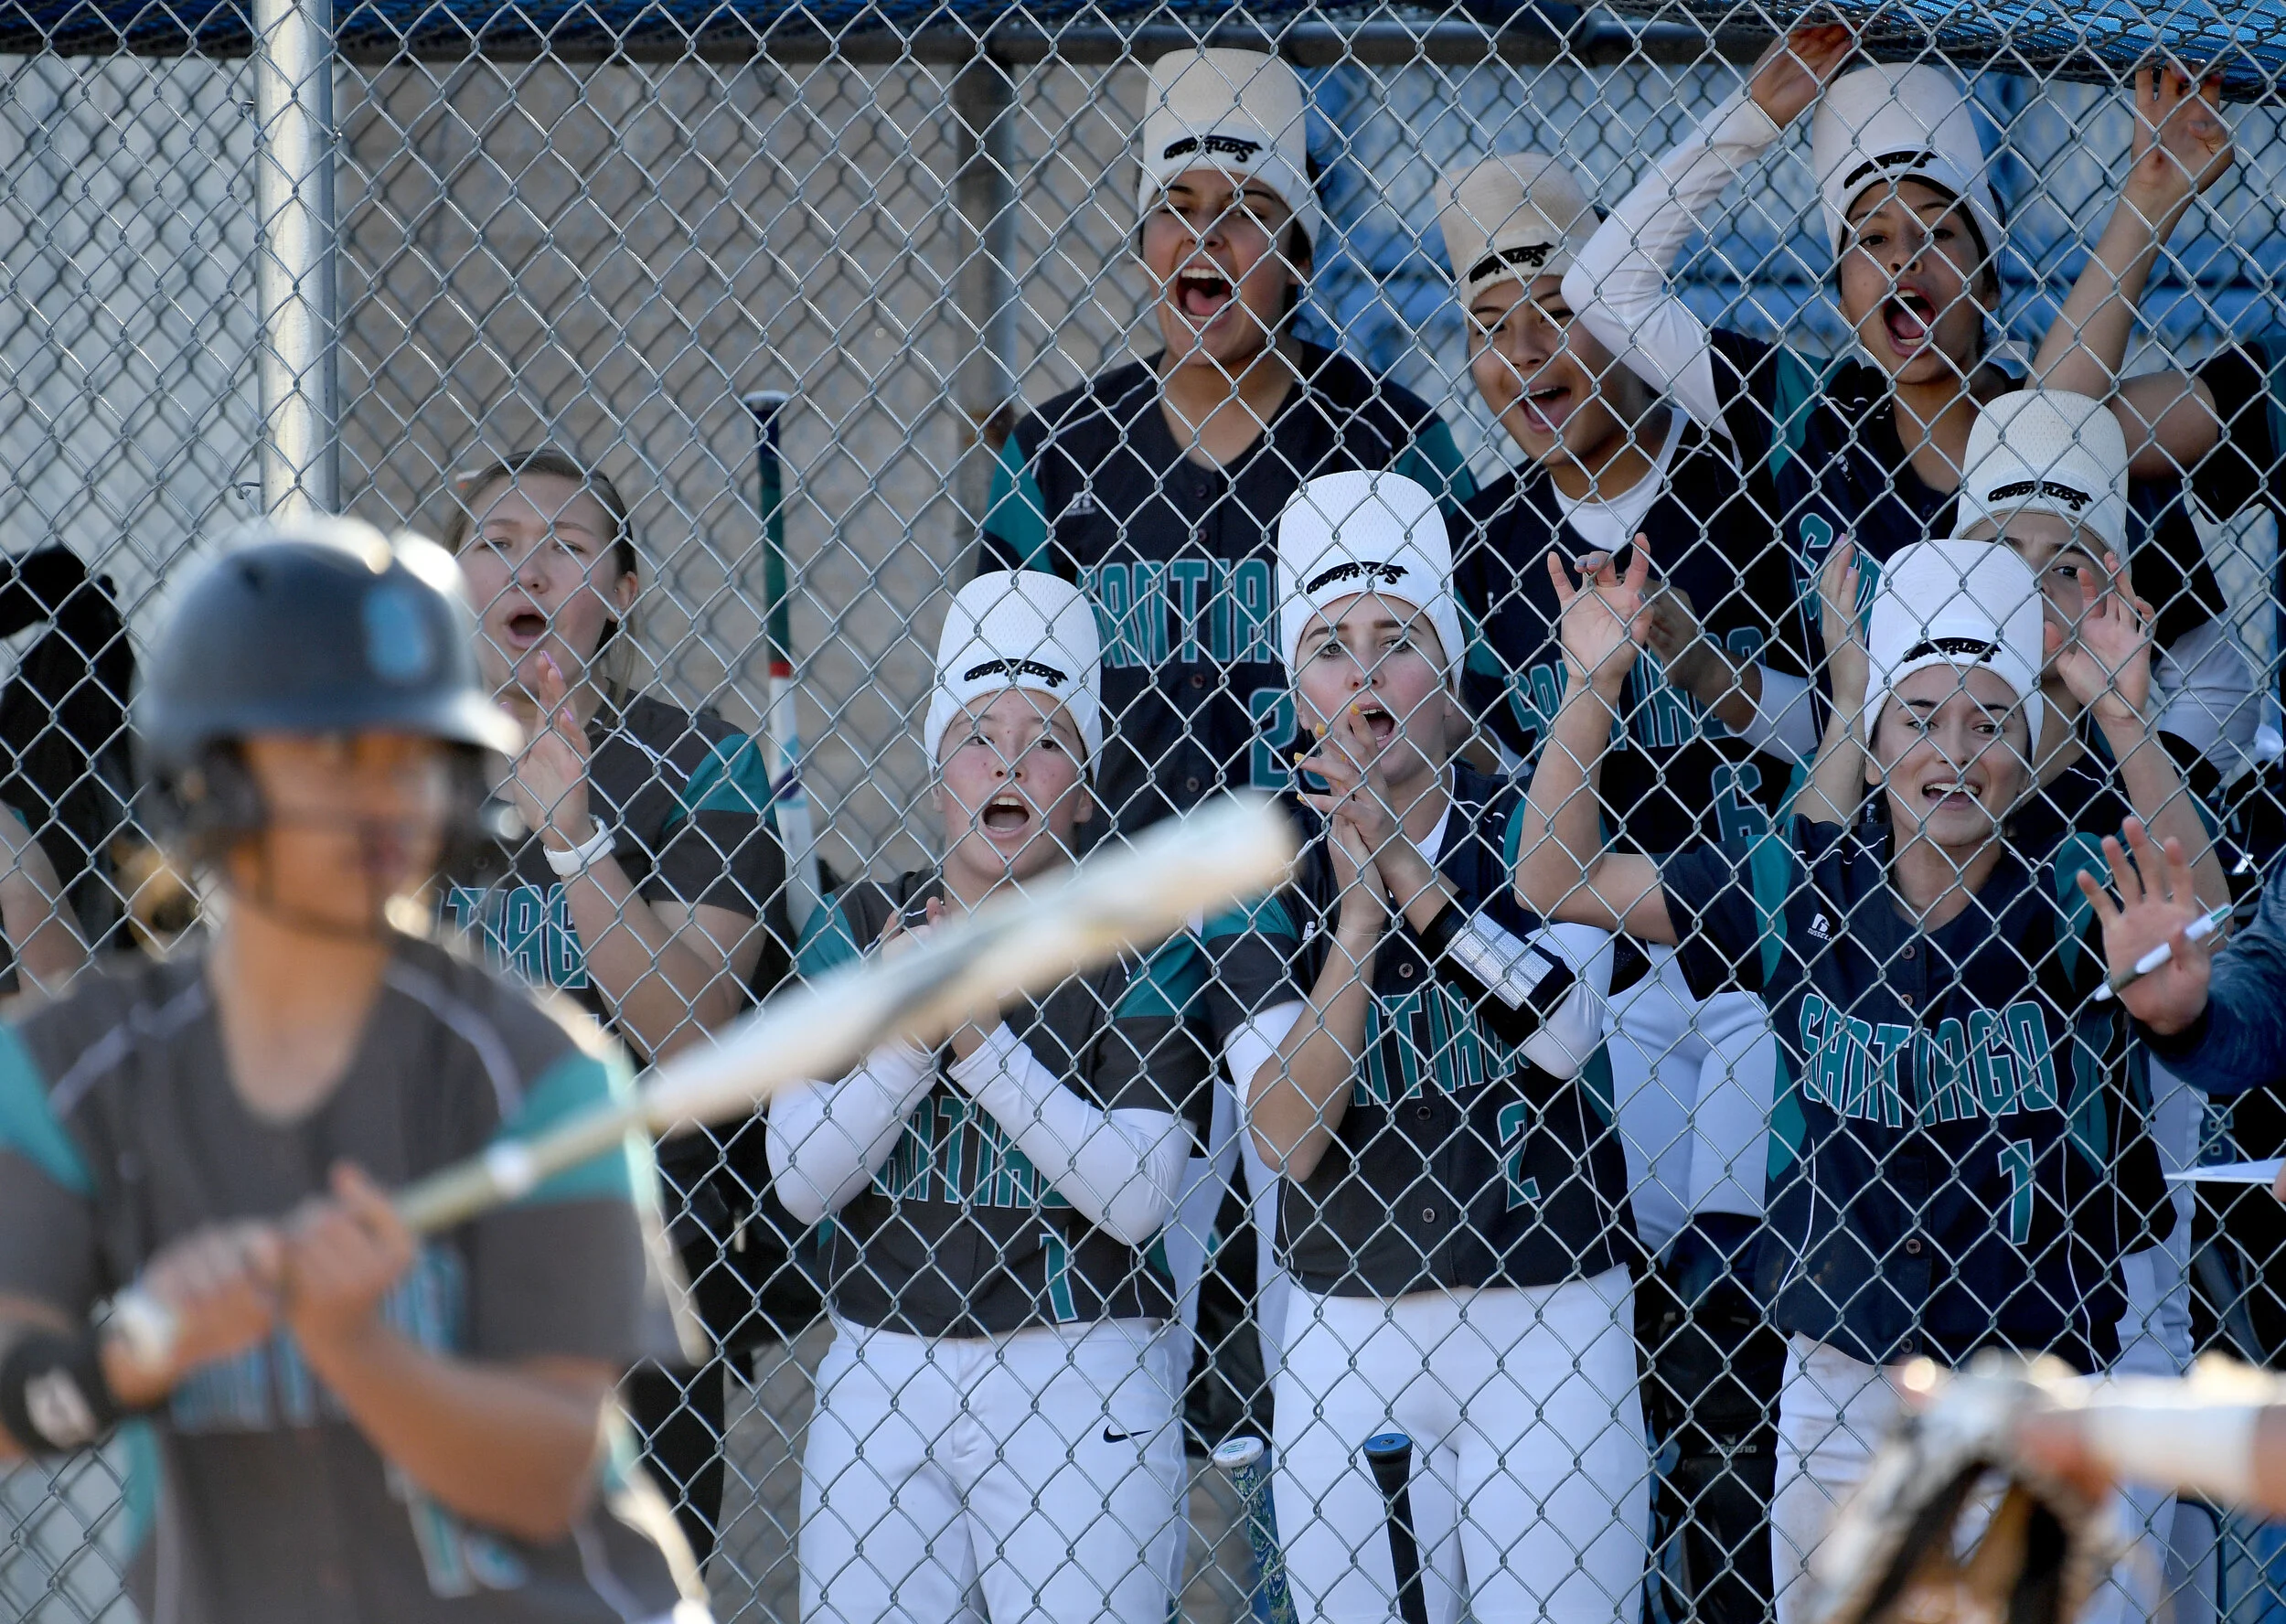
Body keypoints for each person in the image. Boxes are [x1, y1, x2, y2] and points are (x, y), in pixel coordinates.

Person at [0, 518, 706, 1623]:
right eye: (333, 753)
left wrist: (357, 1345)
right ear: (214, 778)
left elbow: (546, 1469)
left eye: (414, 756)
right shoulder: (77, 1072)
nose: (385, 797)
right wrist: (136, 1352)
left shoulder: (532, 1071)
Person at [977, 43, 1477, 1469]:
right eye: (1178, 206)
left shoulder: (1385, 437)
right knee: (1138, 1328)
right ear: (1140, 241)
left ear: (1302, 252)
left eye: (1247, 213)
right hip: (1123, 933)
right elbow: (1001, 716)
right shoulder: (1060, 453)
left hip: (1325, 921)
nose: (1209, 237)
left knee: (1320, 1302)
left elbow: (1467, 690)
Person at [1515, 536, 2167, 1624]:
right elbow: (1552, 875)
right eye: (1918, 718)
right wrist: (1593, 682)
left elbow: (2188, 922)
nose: (1952, 752)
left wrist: (2124, 717)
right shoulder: (1793, 881)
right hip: (1840, 1373)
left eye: (1988, 721)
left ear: (2028, 745)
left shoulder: (2070, 890)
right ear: (1868, 743)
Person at [1438, 147, 1794, 1624]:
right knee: (1627, 1343)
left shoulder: (1745, 438)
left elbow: (1833, 729)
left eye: (1557, 308)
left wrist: (1700, 669)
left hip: (1767, 956)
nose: (1529, 351)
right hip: (1590, 989)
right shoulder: (1475, 537)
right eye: (1491, 323)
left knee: (1752, 1343)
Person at [1203, 469, 1647, 1624]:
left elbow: (1557, 1034)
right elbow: (1288, 1139)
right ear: (1298, 690)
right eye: (1330, 648)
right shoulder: (1260, 866)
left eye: (1395, 643)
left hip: (1550, 1309)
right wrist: (1356, 921)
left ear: (1445, 678)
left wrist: (1410, 877)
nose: (1363, 677)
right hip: (1349, 1322)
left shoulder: (1536, 823)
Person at [1563, 31, 2250, 755]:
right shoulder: (1806, 410)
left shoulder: (2078, 447)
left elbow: (2219, 681)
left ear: (1988, 284)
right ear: (1841, 295)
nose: (1903, 256)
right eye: (1871, 237)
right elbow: (1601, 289)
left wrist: (2129, 802)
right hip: (1860, 845)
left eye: (1940, 231)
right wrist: (1751, 118)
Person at [768, 571, 1211, 1624]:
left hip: (1081, 1362)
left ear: (1089, 784)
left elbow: (1139, 1193)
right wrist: (906, 1048)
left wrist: (975, 1040)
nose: (1009, 759)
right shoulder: (855, 922)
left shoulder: (1139, 935)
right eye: (976, 731)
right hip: (882, 1361)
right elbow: (800, 1177)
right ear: (935, 766)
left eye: (1049, 738)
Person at [439, 447, 797, 1565]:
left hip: (639, 1267)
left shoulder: (703, 760)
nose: (528, 572)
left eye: (567, 547)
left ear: (624, 590)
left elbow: (685, 1027)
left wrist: (573, 832)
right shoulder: (399, 768)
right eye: (495, 542)